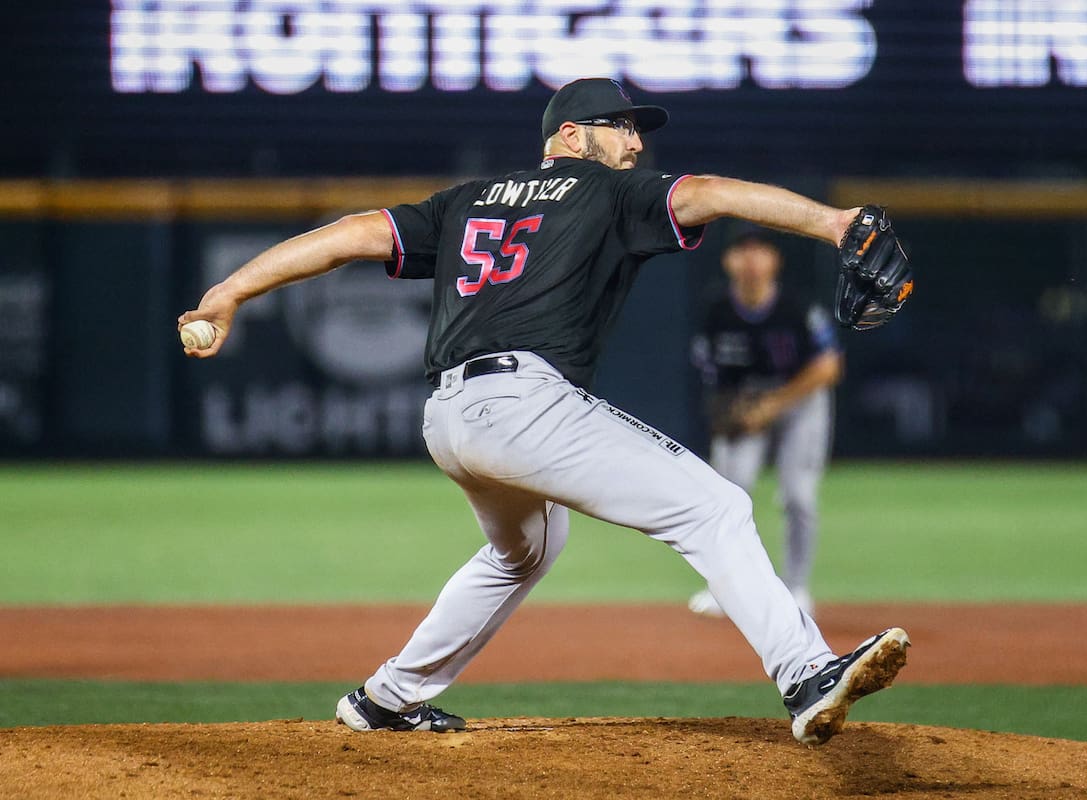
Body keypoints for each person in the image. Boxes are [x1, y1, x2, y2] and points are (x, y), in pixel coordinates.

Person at [179, 77, 909, 746]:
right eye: (618, 126)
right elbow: (712, 192)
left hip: (449, 417)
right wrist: (837, 223)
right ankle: (805, 673)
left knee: (522, 550)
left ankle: (385, 699)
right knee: (714, 508)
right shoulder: (610, 192)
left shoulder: (462, 201)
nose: (634, 142)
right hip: (525, 404)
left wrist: (231, 292)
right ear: (568, 136)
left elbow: (348, 236)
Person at [687, 230, 842, 620]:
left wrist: (772, 405)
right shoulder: (716, 310)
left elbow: (827, 367)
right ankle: (725, 588)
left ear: (775, 260)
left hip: (800, 400)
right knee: (727, 496)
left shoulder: (797, 308)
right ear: (729, 262)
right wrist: (737, 412)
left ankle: (796, 589)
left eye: (760, 251)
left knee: (798, 496)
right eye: (742, 251)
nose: (751, 260)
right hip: (747, 403)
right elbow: (711, 375)